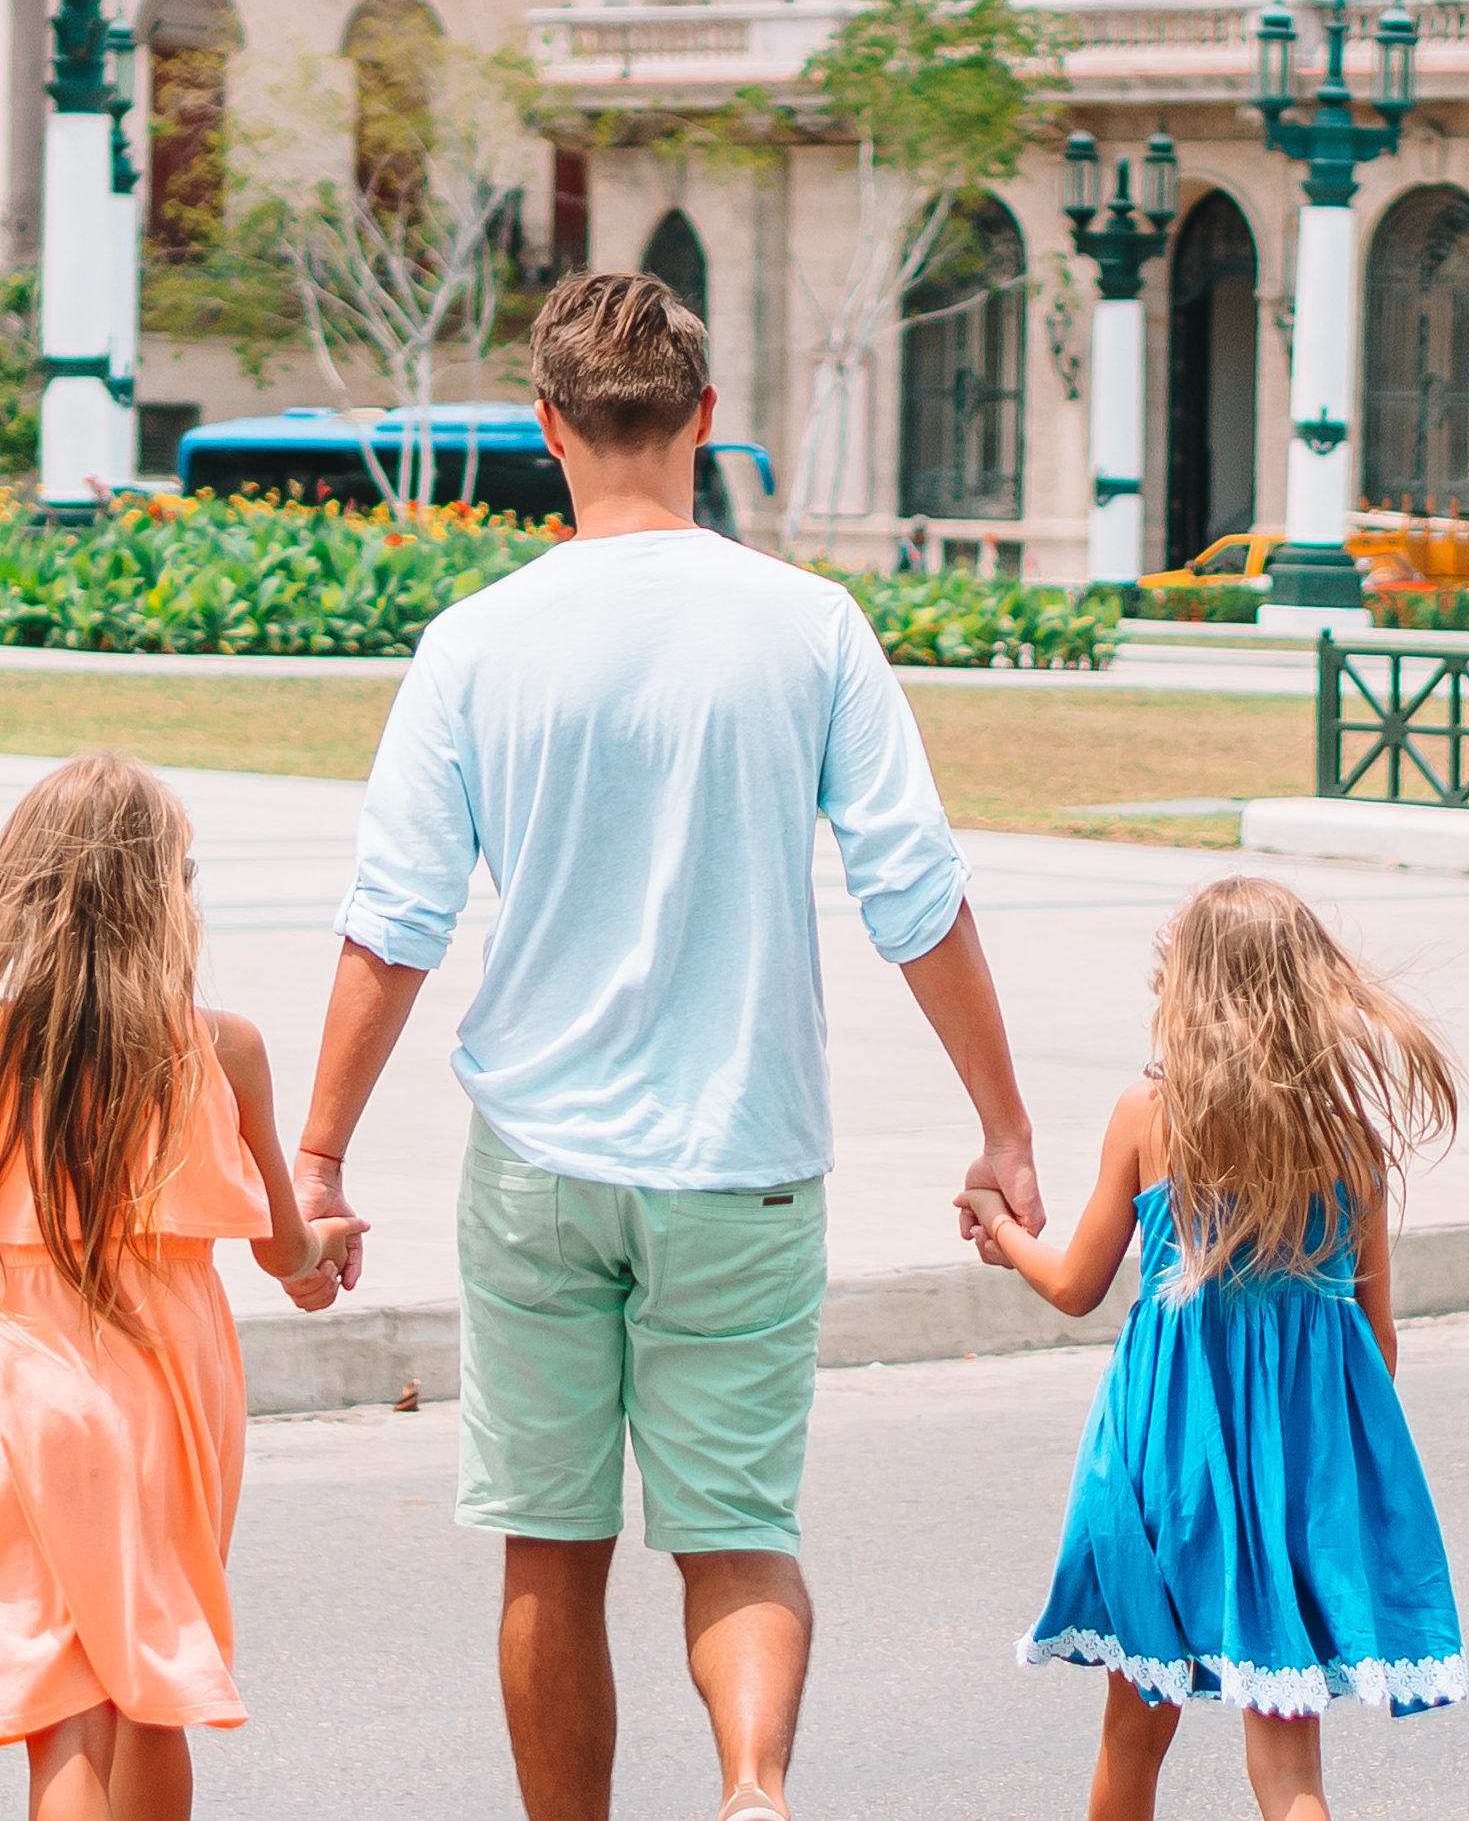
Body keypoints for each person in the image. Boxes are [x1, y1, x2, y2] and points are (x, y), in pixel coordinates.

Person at [293, 273, 1042, 1821]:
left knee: (548, 1553)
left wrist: (318, 1153)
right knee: (739, 1532)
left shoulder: (476, 642)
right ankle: (752, 1788)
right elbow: (917, 891)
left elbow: (396, 921)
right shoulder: (809, 625)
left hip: (540, 1165)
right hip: (744, 1160)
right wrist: (1004, 1124)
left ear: (550, 428)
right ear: (704, 420)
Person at [959, 876, 1467, 1821]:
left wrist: (999, 1225)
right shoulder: (1346, 1141)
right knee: (1288, 1770)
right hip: (1291, 1477)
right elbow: (1376, 1342)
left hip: (1168, 1465)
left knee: (1133, 1730)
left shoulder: (1151, 1116)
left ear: (1187, 989)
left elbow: (1074, 1286)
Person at [0, 755, 361, 1821]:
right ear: (170, 893)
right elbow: (281, 1250)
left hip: (24, 1381)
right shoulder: (220, 1045)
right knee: (152, 1683)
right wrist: (323, 1248)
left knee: (62, 1696)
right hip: (168, 1394)